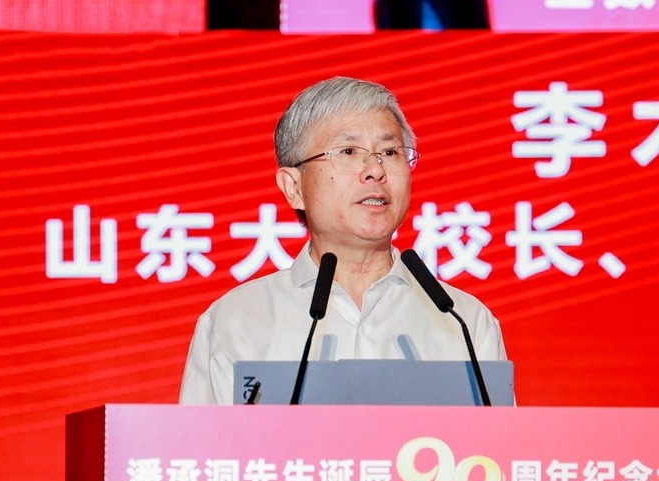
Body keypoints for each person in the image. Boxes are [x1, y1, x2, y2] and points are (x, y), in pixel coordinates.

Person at [178, 76, 507, 405]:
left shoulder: (465, 323)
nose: (375, 170)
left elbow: (500, 439)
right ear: (294, 187)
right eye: (348, 151)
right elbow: (199, 440)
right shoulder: (236, 322)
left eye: (390, 152)